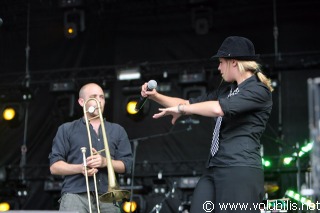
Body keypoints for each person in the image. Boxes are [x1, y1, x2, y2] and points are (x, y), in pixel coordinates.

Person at [140, 36, 273, 212]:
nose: (218, 68)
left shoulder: (258, 90)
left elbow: (218, 109)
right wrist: (155, 96)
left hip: (239, 167)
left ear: (233, 62)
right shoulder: (227, 90)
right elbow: (188, 103)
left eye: (221, 62)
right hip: (215, 167)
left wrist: (181, 110)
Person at [49, 83, 133, 213]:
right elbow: (54, 167)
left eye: (102, 97)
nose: (99, 101)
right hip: (75, 195)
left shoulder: (117, 130)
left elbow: (127, 165)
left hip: (108, 196)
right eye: (94, 97)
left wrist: (105, 162)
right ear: (81, 102)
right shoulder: (66, 129)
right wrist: (80, 168)